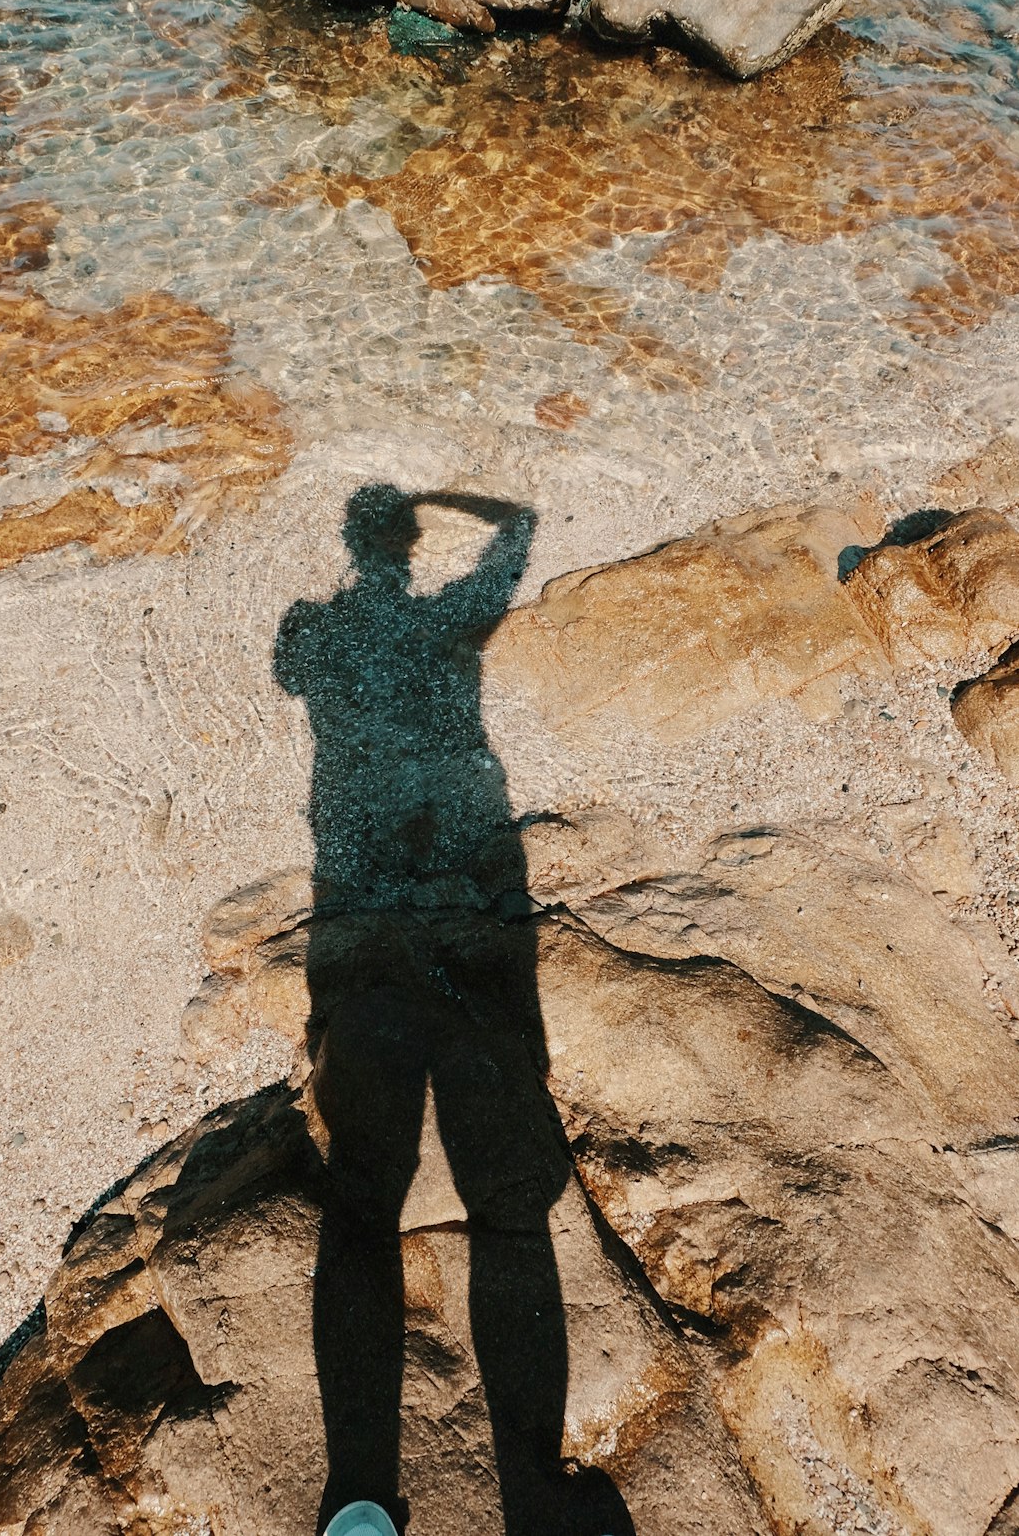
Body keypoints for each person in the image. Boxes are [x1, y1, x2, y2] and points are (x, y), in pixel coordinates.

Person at [274, 485, 631, 1536]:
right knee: (508, 1212)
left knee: (362, 1206)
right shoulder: (446, 624)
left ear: (354, 544)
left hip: (359, 918)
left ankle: (360, 1509)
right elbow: (521, 529)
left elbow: (289, 670)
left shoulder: (320, 632)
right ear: (412, 543)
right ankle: (528, 1496)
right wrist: (448, 496)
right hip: (472, 911)